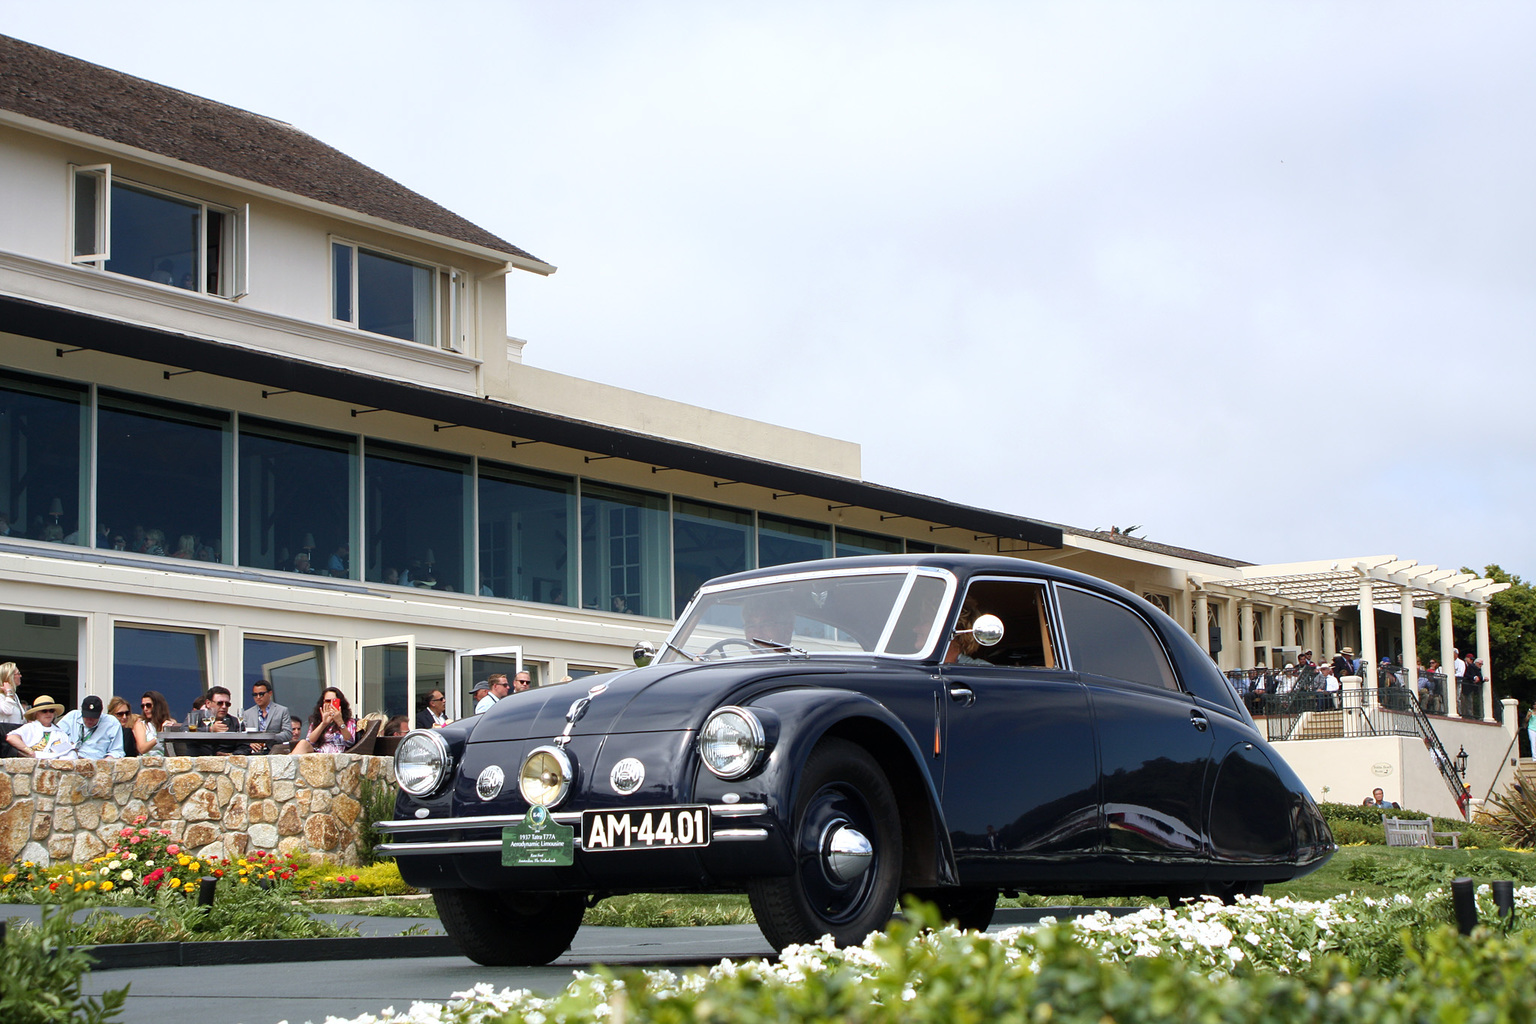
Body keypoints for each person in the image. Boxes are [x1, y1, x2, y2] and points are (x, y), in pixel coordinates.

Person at [5, 695, 76, 758]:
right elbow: (11, 737)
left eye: (51, 711)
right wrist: (28, 751)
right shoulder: (30, 727)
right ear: (36, 714)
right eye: (44, 711)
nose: (48, 714)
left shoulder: (59, 732)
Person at [58, 695, 124, 759]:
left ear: (100, 714)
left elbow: (117, 751)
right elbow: (56, 737)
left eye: (94, 717)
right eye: (87, 717)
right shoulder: (72, 717)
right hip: (73, 761)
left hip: (97, 763)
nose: (90, 720)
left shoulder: (112, 723)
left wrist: (104, 763)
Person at [294, 687, 356, 753]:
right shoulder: (317, 720)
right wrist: (323, 723)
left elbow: (350, 742)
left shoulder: (349, 721)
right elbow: (309, 741)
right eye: (328, 701)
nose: (330, 704)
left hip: (336, 755)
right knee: (303, 743)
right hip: (318, 753)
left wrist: (340, 721)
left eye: (334, 701)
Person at [239, 680, 290, 754]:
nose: (258, 697)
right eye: (255, 695)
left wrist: (270, 737)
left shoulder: (282, 710)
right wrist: (250, 743)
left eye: (261, 694)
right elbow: (243, 735)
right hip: (253, 752)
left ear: (270, 693)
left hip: (274, 750)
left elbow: (288, 733)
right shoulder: (247, 713)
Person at [134, 690, 176, 755]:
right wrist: (160, 736)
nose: (145, 709)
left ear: (158, 706)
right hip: (148, 762)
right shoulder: (141, 724)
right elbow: (142, 749)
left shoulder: (170, 722)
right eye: (143, 706)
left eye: (148, 705)